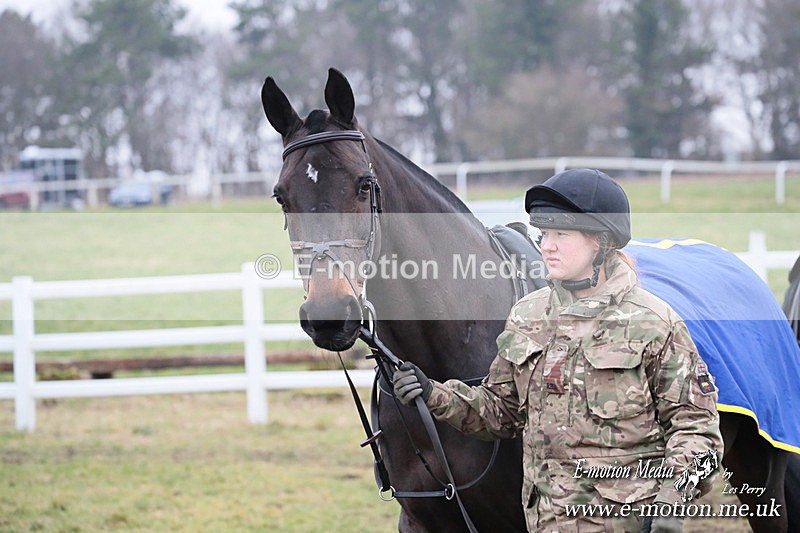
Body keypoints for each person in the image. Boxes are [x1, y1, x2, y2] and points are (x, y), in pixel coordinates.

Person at [393, 168, 723, 532]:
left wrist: (671, 508)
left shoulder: (654, 323)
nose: (546, 245)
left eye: (561, 234)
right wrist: (433, 393)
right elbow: (500, 412)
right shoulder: (528, 316)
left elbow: (698, 430)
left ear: (602, 241)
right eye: (543, 233)